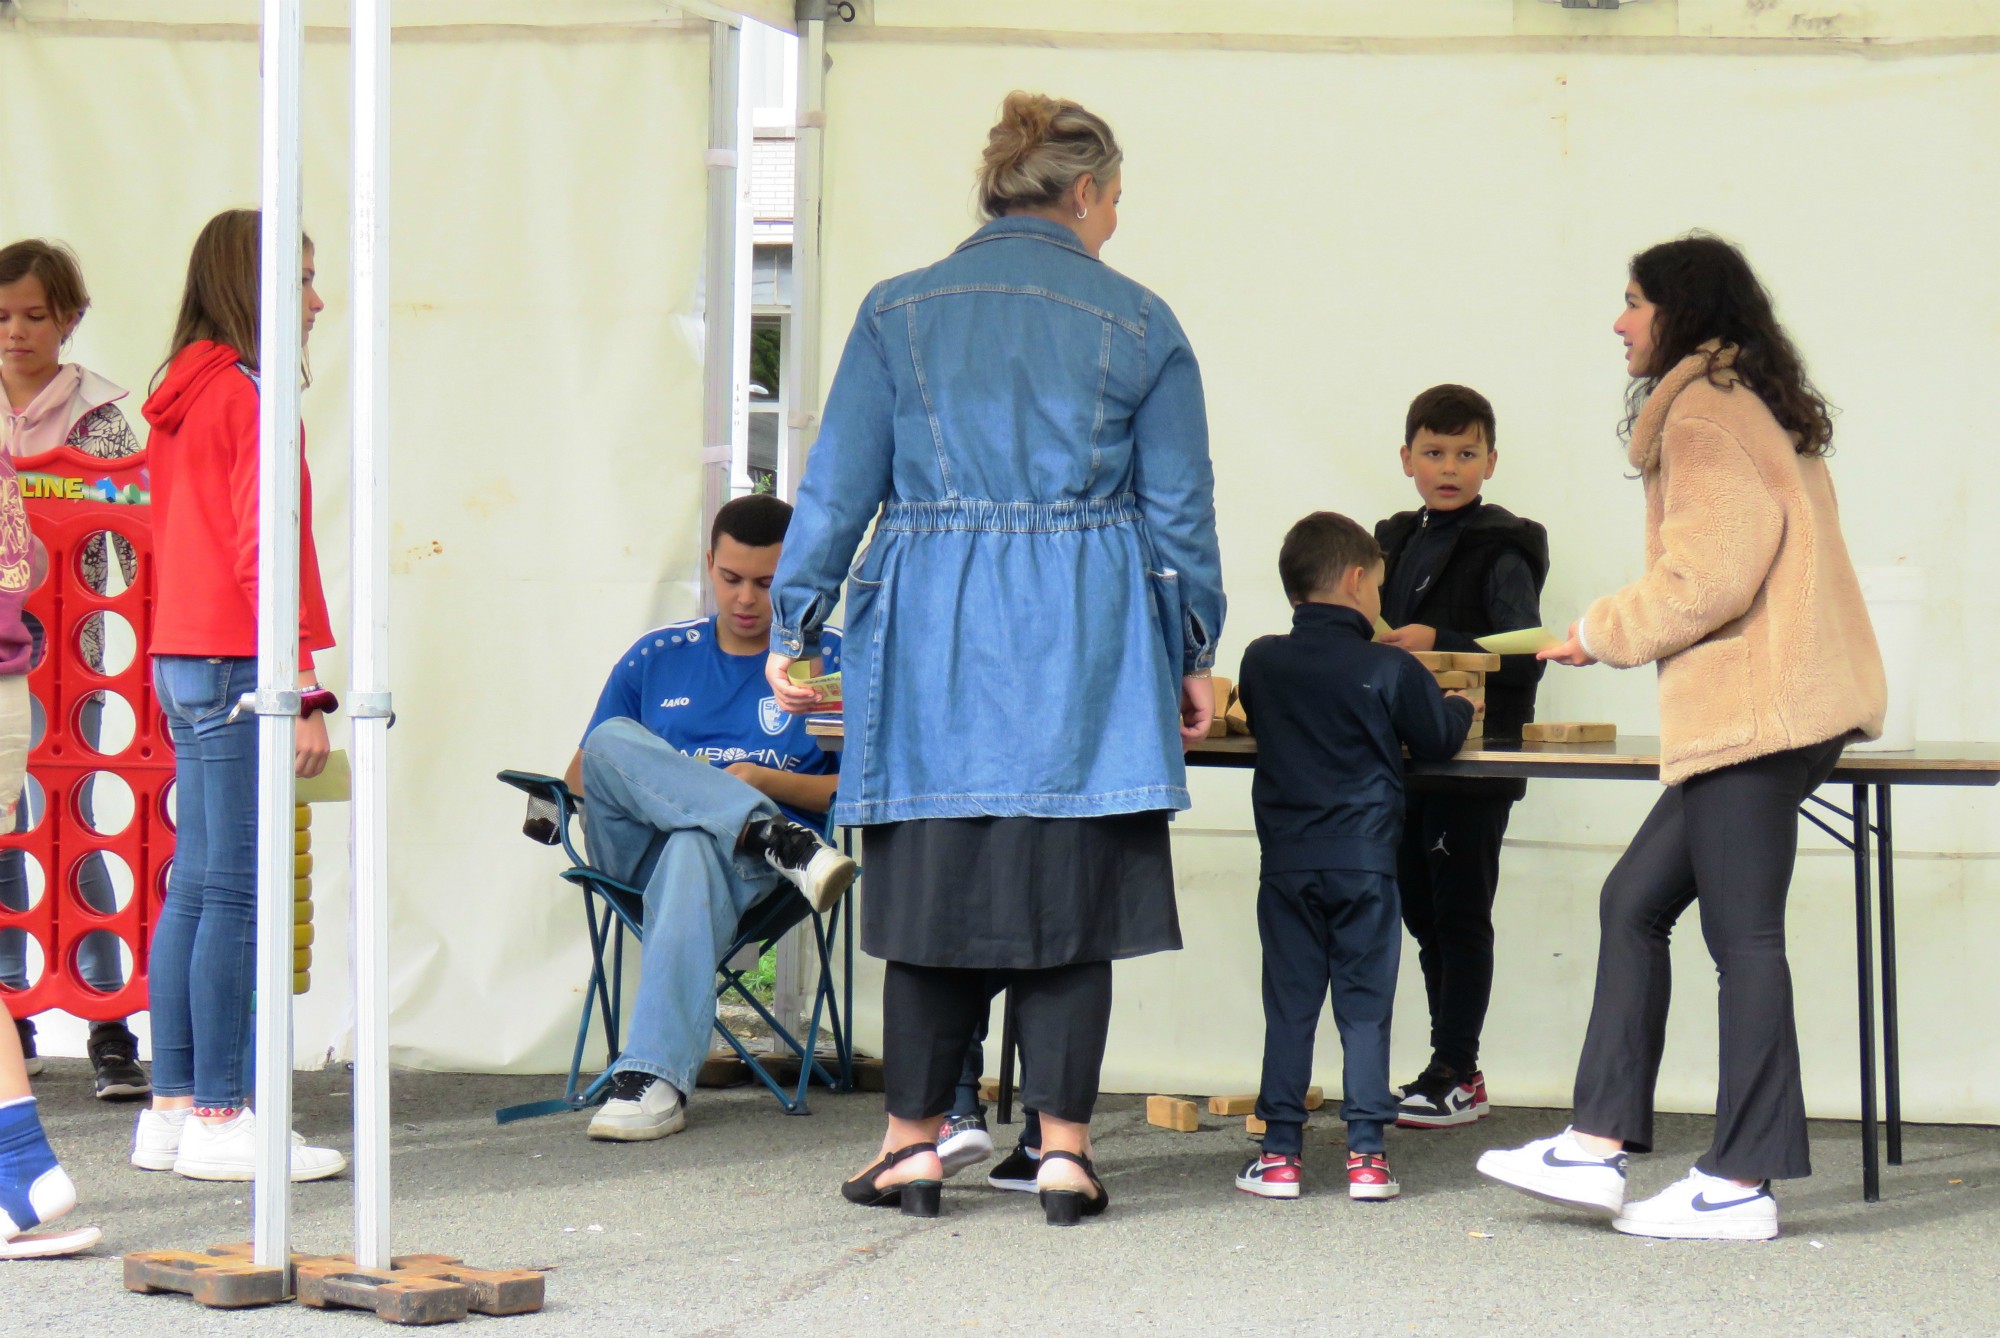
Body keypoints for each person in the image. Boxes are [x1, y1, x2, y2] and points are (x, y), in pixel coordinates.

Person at [767, 91, 1225, 1226]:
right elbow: (1177, 512)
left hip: (931, 623)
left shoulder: (896, 311)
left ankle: (912, 1147)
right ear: (1081, 194)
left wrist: (797, 623)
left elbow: (837, 486)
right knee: (1071, 891)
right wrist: (1192, 647)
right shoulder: (1141, 319)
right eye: (1114, 200)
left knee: (930, 879)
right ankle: (1062, 1152)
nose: (1115, 220)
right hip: (1088, 625)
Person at [1477, 233, 1886, 1241]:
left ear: (1678, 310)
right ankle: (1593, 1146)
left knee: (1740, 936)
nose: (1616, 321)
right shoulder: (1747, 402)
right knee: (1631, 901)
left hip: (1754, 711)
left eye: (1629, 301)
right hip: (1766, 712)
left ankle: (1740, 1181)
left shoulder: (1703, 412)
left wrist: (1591, 631)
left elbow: (1707, 577)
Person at [129, 209, 345, 1182]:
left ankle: (176, 1106)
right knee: (235, 889)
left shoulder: (184, 389)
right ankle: (222, 1113)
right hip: (232, 662)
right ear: (254, 285)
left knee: (196, 880)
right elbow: (264, 550)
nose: (315, 300)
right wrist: (298, 684)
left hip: (182, 653)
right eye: (300, 279)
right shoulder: (248, 395)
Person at [561, 493, 856, 1144]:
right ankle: (762, 828)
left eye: (766, 583)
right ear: (709, 565)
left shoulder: (819, 664)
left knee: (698, 844)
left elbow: (853, 789)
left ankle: (653, 1080)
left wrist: (756, 781)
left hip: (747, 877)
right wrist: (708, 794)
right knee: (610, 735)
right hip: (637, 855)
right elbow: (586, 774)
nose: (746, 599)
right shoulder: (658, 656)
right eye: (730, 579)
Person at [1234, 512, 1477, 1202]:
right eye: (1378, 585)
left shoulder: (1261, 659)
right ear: (1356, 578)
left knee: (1290, 1006)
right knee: (1364, 1008)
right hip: (1366, 860)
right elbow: (1434, 739)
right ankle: (1367, 1156)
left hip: (1286, 862)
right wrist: (1456, 705)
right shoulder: (1389, 666)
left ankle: (1280, 1154)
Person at [1374, 384, 1548, 1128]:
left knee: (1460, 912)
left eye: (1466, 453)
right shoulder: (1391, 542)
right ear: (1407, 458)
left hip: (1475, 765)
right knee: (1420, 909)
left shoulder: (1500, 546)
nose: (1450, 466)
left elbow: (1529, 651)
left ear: (1491, 461)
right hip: (1410, 759)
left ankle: (1457, 1070)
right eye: (1435, 452)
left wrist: (1437, 642)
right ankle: (1447, 1064)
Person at [0, 238, 149, 1100]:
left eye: (35, 315)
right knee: (6, 834)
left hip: (75, 657)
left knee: (80, 825)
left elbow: (129, 530)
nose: (17, 333)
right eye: (4, 316)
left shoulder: (100, 416)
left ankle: (106, 1019)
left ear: (69, 319)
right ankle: (12, 1017)